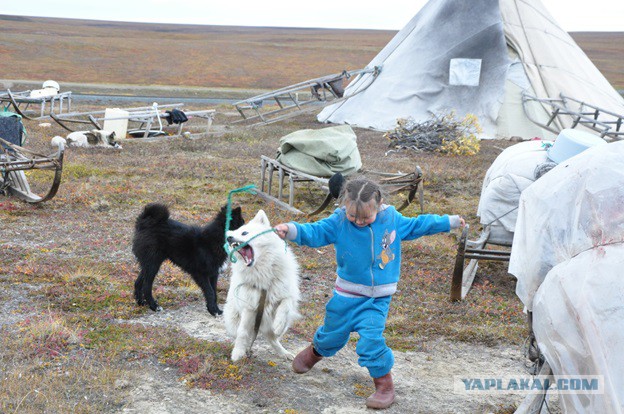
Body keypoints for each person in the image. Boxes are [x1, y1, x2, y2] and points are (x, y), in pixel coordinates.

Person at [274, 177, 464, 410]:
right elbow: (316, 231)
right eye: (354, 216)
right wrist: (290, 230)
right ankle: (316, 352)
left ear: (379, 204)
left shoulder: (391, 219)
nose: (359, 221)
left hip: (377, 299)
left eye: (366, 217)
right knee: (332, 334)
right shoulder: (339, 221)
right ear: (345, 205)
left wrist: (449, 221)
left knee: (371, 340)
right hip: (345, 295)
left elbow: (418, 225)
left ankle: (384, 385)